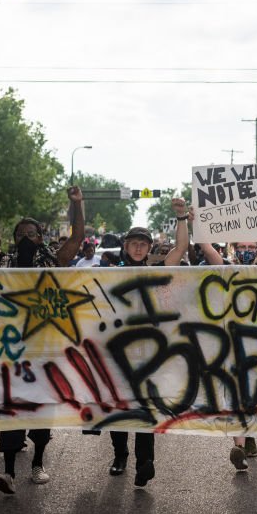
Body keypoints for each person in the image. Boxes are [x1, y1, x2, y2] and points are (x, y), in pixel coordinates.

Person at [0, 187, 86, 495]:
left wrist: (76, 205)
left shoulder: (54, 262)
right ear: (14, 239)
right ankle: (9, 471)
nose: (26, 237)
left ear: (41, 236)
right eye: (21, 233)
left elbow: (77, 238)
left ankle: (38, 463)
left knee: (42, 406)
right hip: (12, 351)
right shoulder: (2, 266)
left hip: (45, 350)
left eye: (32, 232)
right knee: (12, 408)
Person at [197, 208, 257, 470]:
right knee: (236, 397)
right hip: (230, 346)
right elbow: (207, 250)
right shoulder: (226, 268)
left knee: (255, 398)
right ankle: (239, 447)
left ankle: (249, 437)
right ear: (233, 248)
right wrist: (195, 221)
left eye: (251, 246)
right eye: (242, 246)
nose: (247, 250)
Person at [104, 204, 189, 487]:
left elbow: (180, 248)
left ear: (149, 247)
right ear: (125, 246)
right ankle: (120, 455)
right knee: (119, 407)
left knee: (147, 406)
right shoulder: (109, 273)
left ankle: (145, 461)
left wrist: (181, 218)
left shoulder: (156, 270)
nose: (139, 248)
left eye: (143, 244)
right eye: (134, 244)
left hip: (151, 353)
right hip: (118, 351)